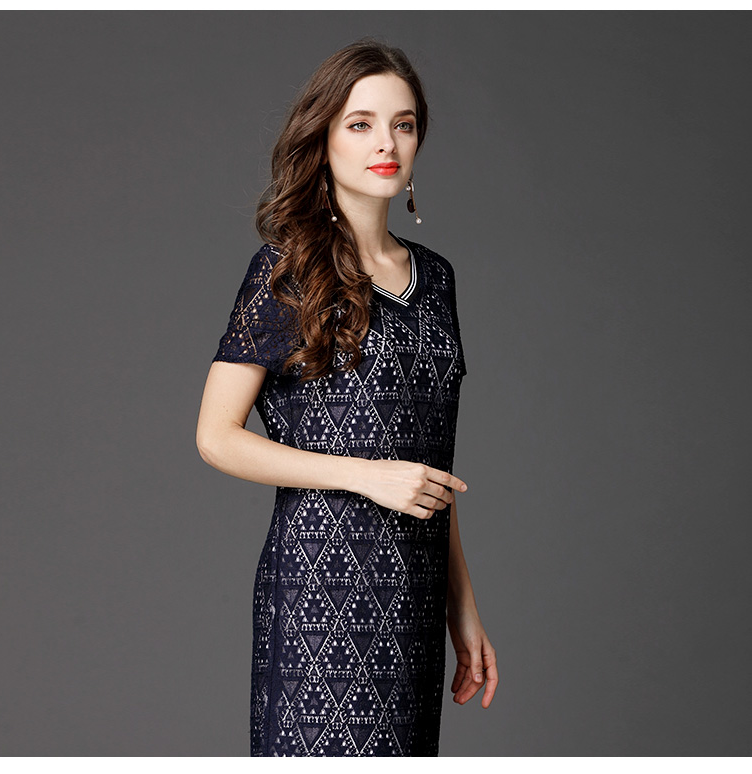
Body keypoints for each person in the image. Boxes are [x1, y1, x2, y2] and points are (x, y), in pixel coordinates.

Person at [196, 39, 498, 757]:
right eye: (360, 124)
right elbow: (216, 435)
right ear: (323, 138)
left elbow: (430, 466)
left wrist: (463, 608)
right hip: (320, 593)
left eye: (403, 124)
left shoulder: (438, 280)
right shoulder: (287, 270)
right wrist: (364, 475)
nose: (386, 143)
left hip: (415, 595)